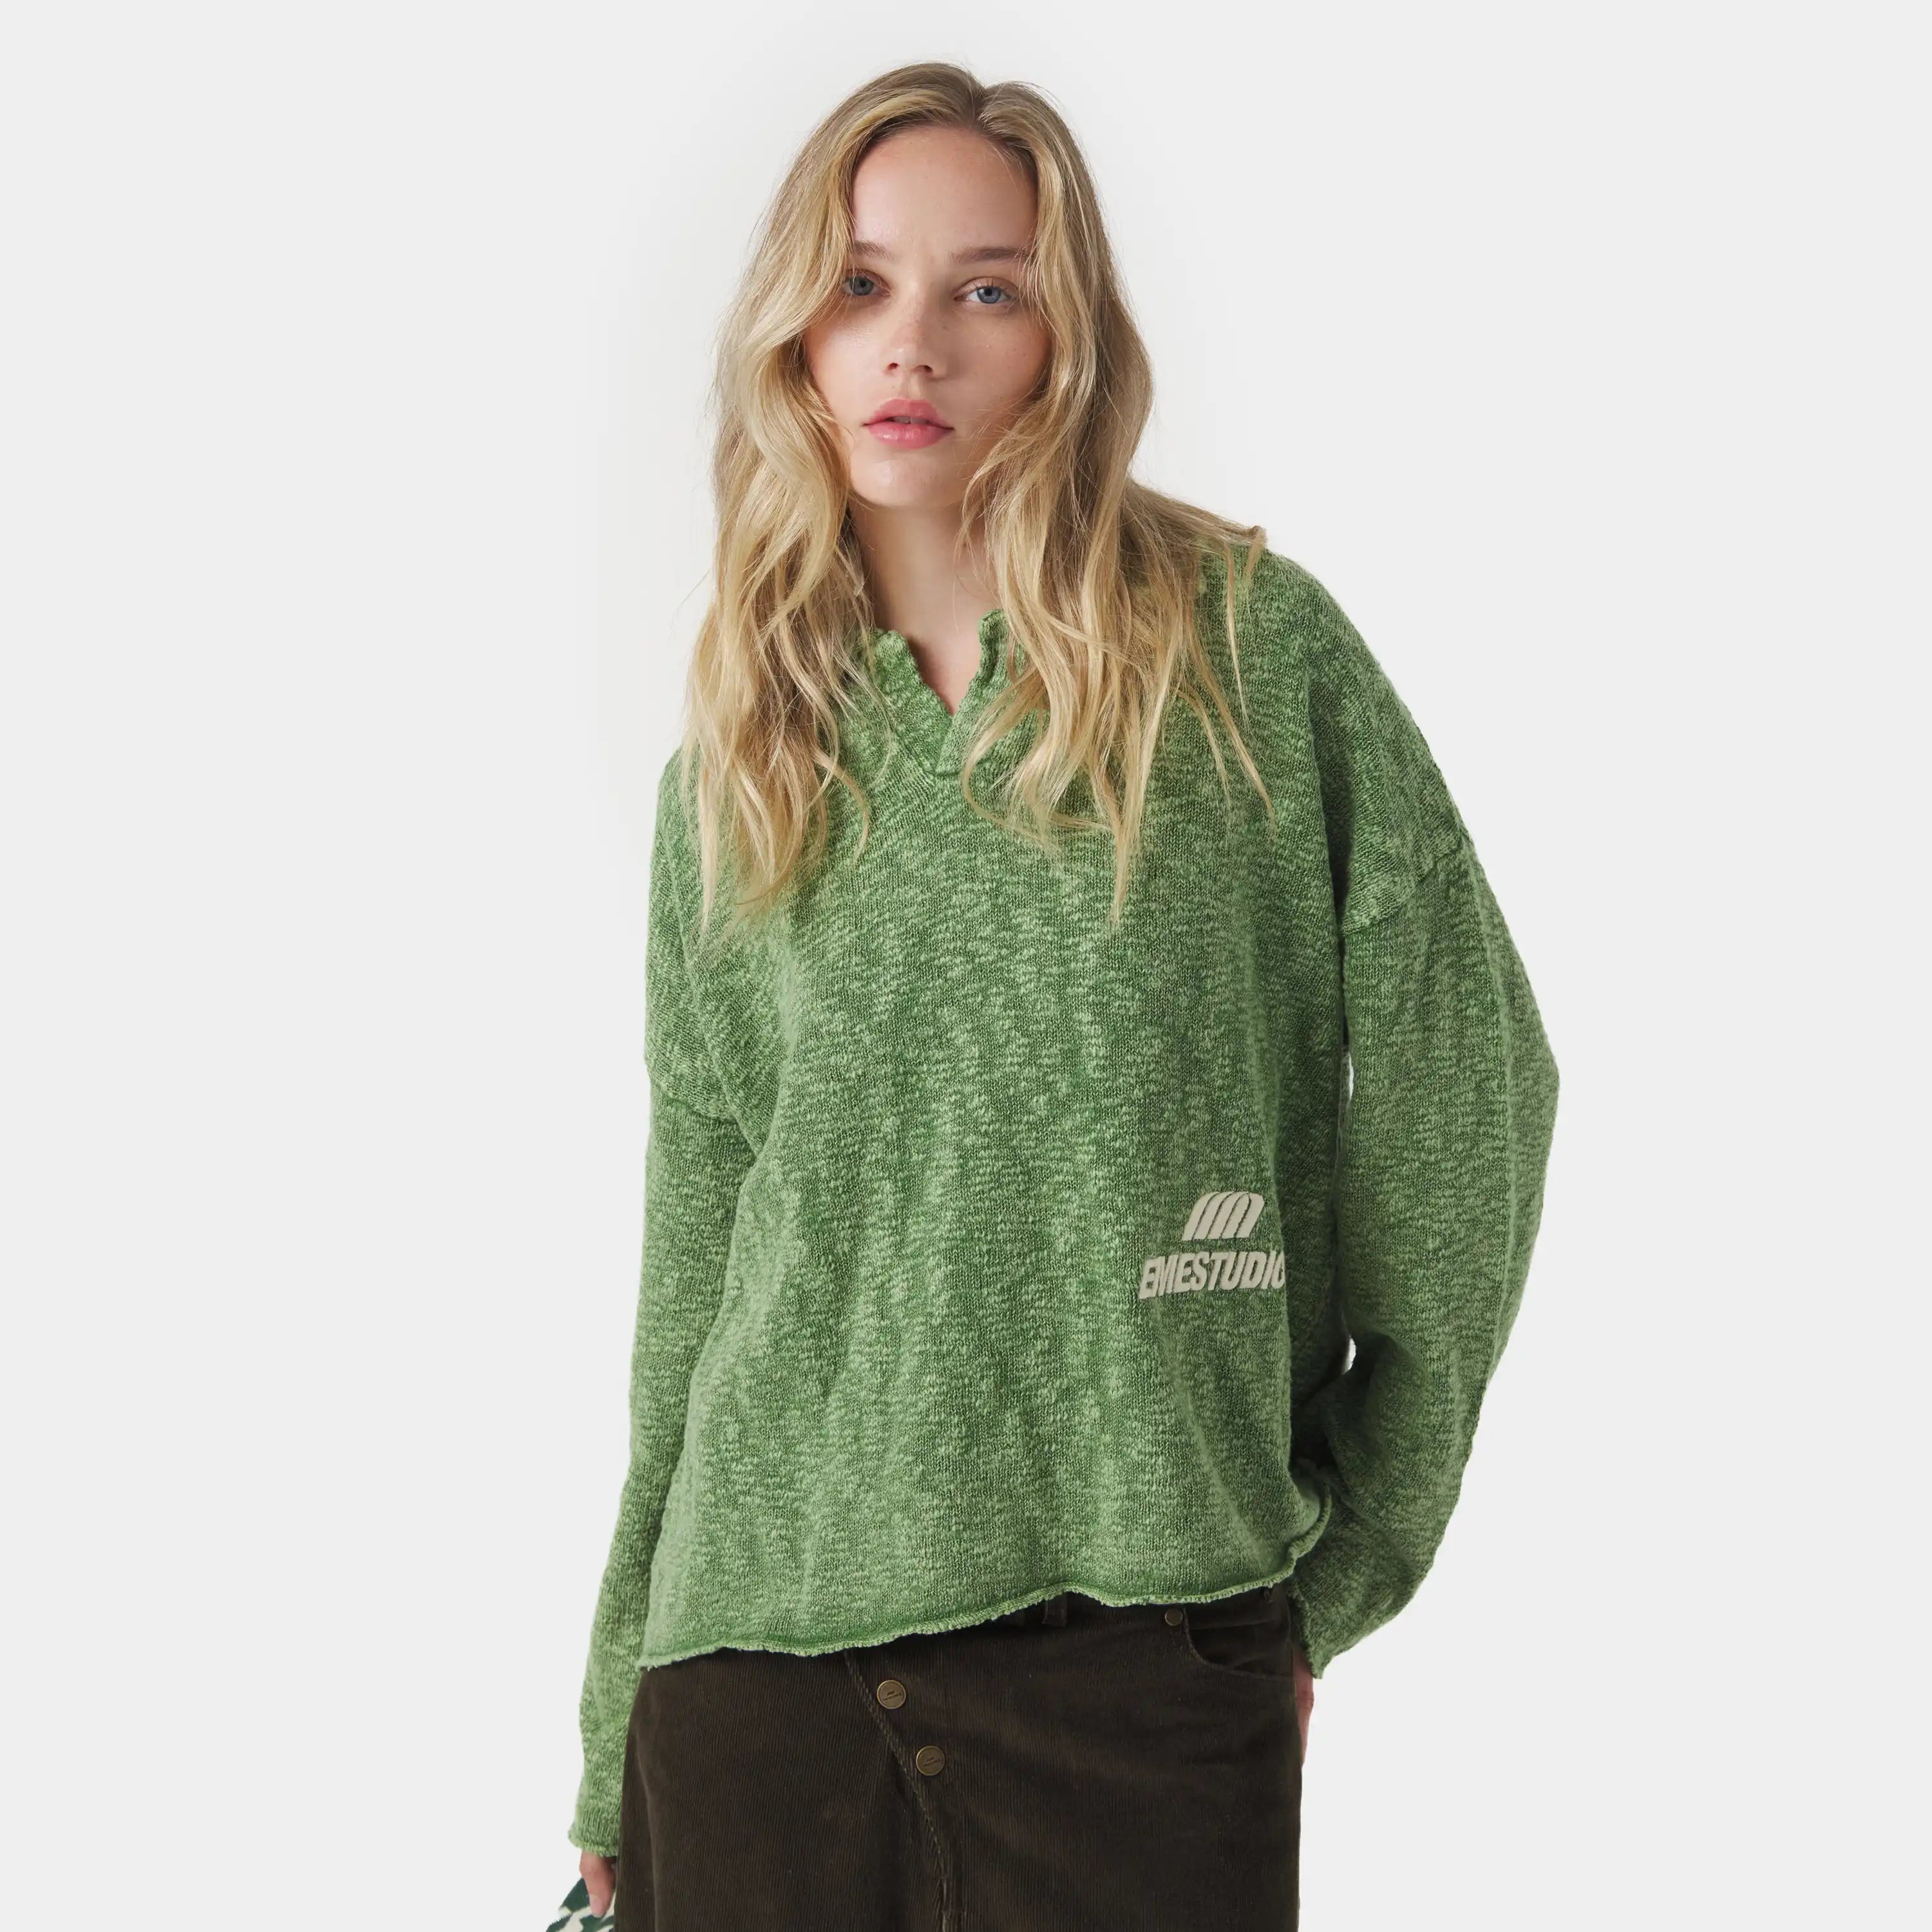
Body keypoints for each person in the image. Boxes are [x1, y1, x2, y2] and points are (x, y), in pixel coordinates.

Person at [567, 61, 1558, 1931]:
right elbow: (699, 1253)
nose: (912, 344)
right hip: (751, 1691)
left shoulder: (1246, 658)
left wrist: (1352, 1545)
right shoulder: (741, 760)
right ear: (796, 333)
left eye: (987, 288)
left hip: (1142, 1667)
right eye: (860, 284)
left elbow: (1469, 1070)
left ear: (1066, 338)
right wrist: (615, 1695)